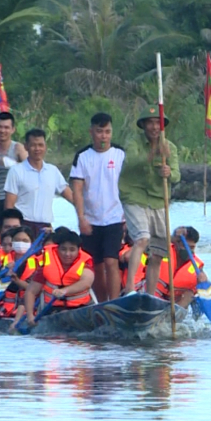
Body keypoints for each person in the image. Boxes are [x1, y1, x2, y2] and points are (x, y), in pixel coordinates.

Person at [119, 107, 181, 296]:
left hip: (159, 200)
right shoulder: (133, 143)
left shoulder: (170, 147)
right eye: (150, 123)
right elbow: (131, 163)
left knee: (159, 251)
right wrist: (154, 151)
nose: (154, 127)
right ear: (144, 125)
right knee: (142, 239)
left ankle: (150, 294)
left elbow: (177, 175)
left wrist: (168, 172)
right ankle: (130, 288)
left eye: (158, 123)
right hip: (134, 196)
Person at [70, 112, 126, 302]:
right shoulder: (82, 156)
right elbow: (77, 189)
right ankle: (103, 303)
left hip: (115, 217)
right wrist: (81, 218)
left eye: (107, 132)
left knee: (112, 261)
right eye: (99, 132)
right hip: (91, 220)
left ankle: (116, 301)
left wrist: (127, 216)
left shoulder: (120, 154)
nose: (104, 136)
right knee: (95, 265)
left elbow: (128, 187)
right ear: (91, 132)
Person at [4, 128, 74, 237]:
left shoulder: (52, 171)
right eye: (33, 145)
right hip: (23, 226)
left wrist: (85, 211)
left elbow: (70, 195)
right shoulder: (16, 171)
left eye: (41, 145)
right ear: (26, 146)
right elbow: (9, 205)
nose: (37, 149)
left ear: (45, 147)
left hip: (45, 228)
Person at [23, 228, 95, 327]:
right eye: (63, 249)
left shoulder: (85, 263)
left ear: (79, 250)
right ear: (57, 249)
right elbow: (31, 292)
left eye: (72, 250)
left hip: (82, 307)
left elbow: (86, 282)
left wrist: (65, 291)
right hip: (54, 309)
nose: (67, 254)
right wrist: (30, 316)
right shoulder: (46, 266)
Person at [155, 226, 208, 308]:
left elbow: (205, 284)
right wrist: (173, 237)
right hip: (156, 296)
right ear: (177, 243)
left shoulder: (197, 265)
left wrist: (204, 282)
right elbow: (152, 241)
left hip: (177, 302)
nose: (188, 250)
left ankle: (172, 316)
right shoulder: (163, 250)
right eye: (185, 246)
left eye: (192, 247)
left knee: (189, 294)